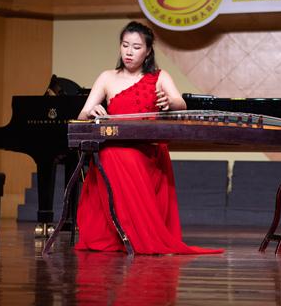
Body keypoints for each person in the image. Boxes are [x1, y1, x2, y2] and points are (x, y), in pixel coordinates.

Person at [74, 21, 222, 255]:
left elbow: (181, 104)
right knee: (110, 153)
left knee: (116, 156)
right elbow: (82, 114)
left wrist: (169, 102)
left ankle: (136, 234)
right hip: (116, 145)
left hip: (147, 149)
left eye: (136, 47)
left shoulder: (159, 77)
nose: (129, 52)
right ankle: (123, 233)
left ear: (148, 51)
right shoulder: (107, 77)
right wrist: (91, 111)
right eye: (125, 45)